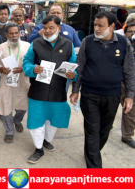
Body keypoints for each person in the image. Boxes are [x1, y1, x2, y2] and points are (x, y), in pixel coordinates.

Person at [71, 12, 135, 168]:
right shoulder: (88, 41)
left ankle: (91, 152)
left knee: (104, 131)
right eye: (95, 25)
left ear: (112, 26)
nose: (97, 28)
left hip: (112, 94)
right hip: (90, 94)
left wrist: (130, 95)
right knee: (92, 129)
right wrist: (75, 90)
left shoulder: (123, 43)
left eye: (101, 25)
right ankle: (95, 170)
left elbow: (129, 70)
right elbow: (79, 67)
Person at [23, 15, 78, 164]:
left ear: (59, 29)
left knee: (54, 119)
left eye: (51, 28)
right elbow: (26, 62)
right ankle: (38, 148)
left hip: (58, 89)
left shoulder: (68, 44)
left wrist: (73, 75)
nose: (47, 31)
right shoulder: (35, 43)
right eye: (45, 27)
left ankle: (47, 140)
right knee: (36, 120)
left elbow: (74, 65)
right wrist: (33, 69)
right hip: (38, 90)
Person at [0, 23, 30, 143]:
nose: (14, 35)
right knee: (5, 105)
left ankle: (17, 120)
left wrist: (24, 69)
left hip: (22, 80)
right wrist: (1, 69)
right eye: (11, 33)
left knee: (23, 105)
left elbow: (31, 63)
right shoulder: (1, 47)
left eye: (16, 33)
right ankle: (9, 130)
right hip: (7, 79)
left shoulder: (27, 46)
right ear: (6, 34)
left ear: (20, 33)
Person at [120, 22, 135, 149]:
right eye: (131, 32)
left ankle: (127, 136)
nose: (133, 34)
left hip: (131, 83)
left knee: (130, 110)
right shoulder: (121, 45)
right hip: (118, 82)